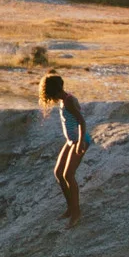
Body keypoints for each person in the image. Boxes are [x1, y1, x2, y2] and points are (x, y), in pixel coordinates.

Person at [40, 72, 89, 225]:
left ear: (53, 91)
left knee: (68, 175)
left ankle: (76, 213)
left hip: (80, 140)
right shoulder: (64, 100)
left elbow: (82, 122)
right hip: (71, 141)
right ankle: (70, 208)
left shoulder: (68, 101)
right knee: (58, 173)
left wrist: (80, 143)